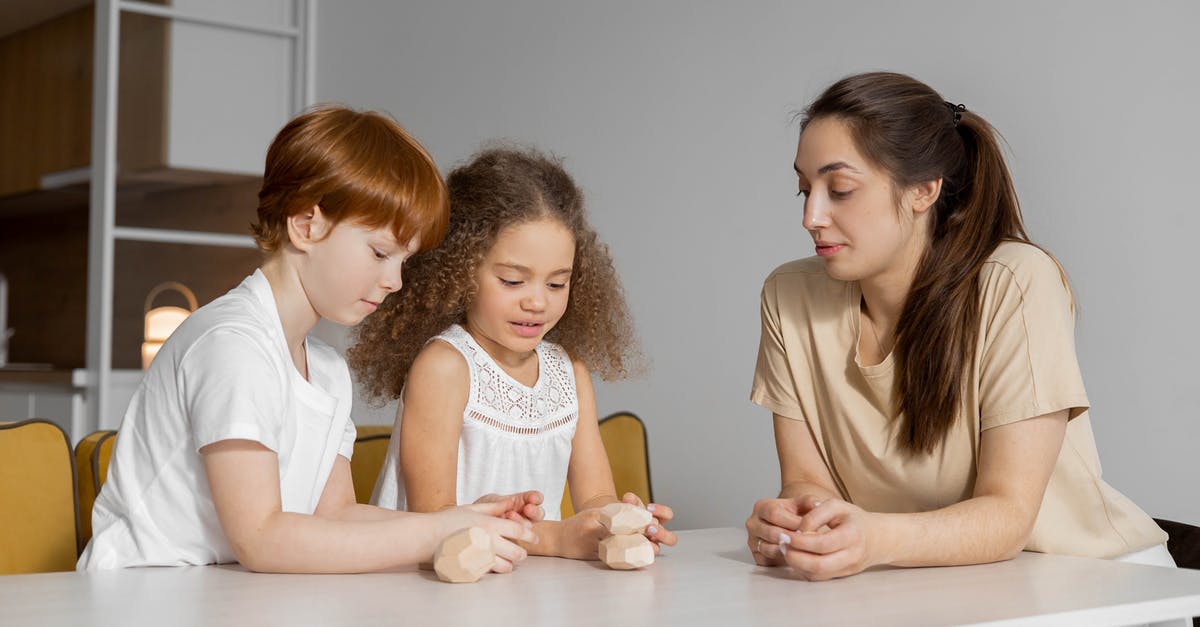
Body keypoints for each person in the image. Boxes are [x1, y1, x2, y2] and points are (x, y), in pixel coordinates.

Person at [745, 72, 1172, 581]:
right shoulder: (788, 296)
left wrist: (873, 538)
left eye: (839, 189)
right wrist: (798, 526)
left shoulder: (1014, 282)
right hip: (935, 585)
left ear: (924, 190)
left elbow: (1008, 516)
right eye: (803, 190)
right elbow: (806, 480)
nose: (811, 216)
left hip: (1097, 583)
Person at [79, 106, 541, 572]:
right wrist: (432, 533)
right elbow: (261, 538)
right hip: (140, 594)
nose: (395, 280)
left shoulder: (324, 369)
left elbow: (334, 515)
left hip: (224, 596)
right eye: (380, 252)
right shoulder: (232, 345)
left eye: (403, 259)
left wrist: (459, 521)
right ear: (305, 226)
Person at [350, 146, 676, 560]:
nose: (537, 302)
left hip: (525, 583)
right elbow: (436, 520)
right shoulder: (446, 367)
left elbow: (594, 495)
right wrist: (553, 539)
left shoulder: (568, 371)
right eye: (512, 281)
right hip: (436, 586)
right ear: (460, 271)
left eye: (557, 284)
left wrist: (619, 522)